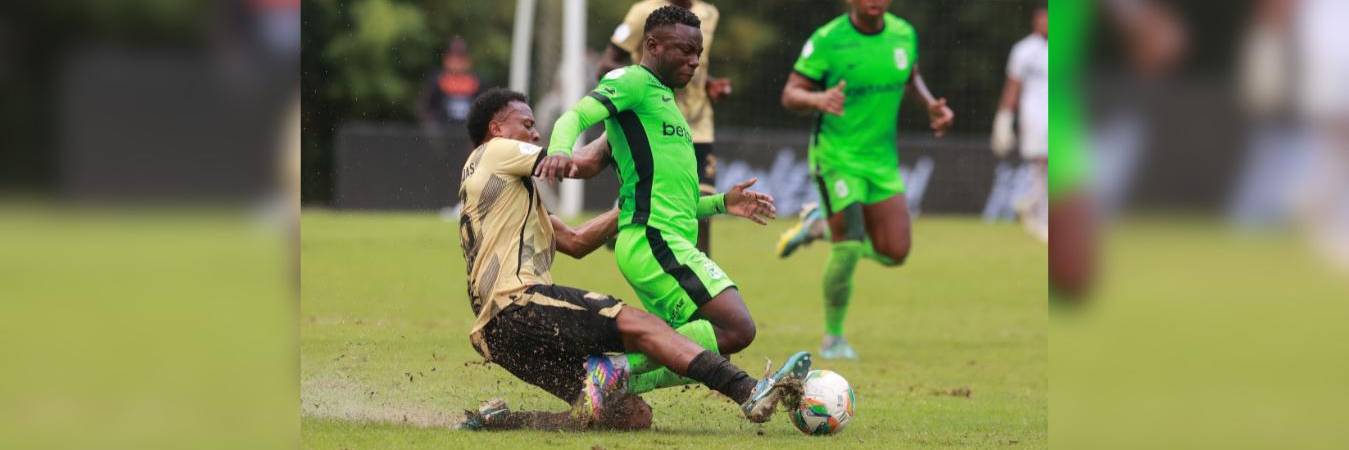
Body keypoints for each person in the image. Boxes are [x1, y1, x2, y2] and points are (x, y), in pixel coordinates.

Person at [457, 87, 809, 430]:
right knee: (645, 327)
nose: (535, 134)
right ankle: (748, 390)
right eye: (527, 124)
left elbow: (576, 241)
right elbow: (580, 165)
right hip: (521, 304)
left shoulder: (497, 184)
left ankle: (503, 421)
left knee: (627, 414)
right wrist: (620, 121)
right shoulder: (498, 151)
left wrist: (629, 206)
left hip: (497, 334)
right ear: (497, 128)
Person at [542, 6, 778, 396]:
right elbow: (575, 115)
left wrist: (722, 203)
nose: (694, 62)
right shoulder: (632, 81)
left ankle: (611, 380)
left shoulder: (667, 104)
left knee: (708, 341)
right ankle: (614, 372)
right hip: (652, 239)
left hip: (666, 239)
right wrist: (558, 149)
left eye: (698, 53)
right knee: (736, 328)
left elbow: (676, 200)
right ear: (651, 45)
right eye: (685, 51)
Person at [775, 0, 955, 359]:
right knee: (851, 244)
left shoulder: (904, 34)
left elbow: (910, 74)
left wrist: (931, 104)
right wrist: (818, 98)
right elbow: (789, 94)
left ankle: (817, 227)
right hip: (836, 156)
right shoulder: (828, 39)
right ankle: (834, 338)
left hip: (882, 160)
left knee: (895, 252)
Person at [597, 0, 730, 256]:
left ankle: (704, 278)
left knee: (700, 205)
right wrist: (645, 85)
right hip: (656, 120)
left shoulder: (709, 13)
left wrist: (709, 84)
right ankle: (622, 217)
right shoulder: (642, 13)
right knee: (657, 200)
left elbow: (690, 62)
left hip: (698, 122)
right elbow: (606, 65)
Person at [992, 3, 1049, 242]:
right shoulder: (1023, 50)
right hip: (1034, 117)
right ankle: (1039, 212)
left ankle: (1031, 204)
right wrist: (1004, 119)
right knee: (1043, 163)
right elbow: (1012, 87)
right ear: (1036, 20)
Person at [417, 37, 480, 130]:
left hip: (467, 134)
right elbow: (425, 108)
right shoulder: (437, 82)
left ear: (468, 60)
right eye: (453, 57)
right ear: (446, 59)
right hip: (443, 134)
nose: (456, 62)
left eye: (460, 58)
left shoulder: (477, 83)